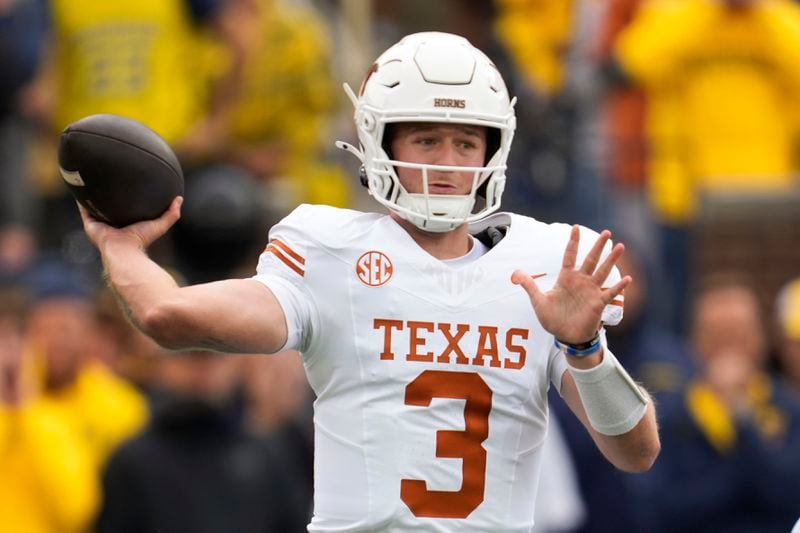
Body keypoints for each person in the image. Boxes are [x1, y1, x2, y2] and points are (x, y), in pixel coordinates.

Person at [78, 32, 659, 532]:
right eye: (426, 140)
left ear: (493, 149)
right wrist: (119, 247)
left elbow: (636, 452)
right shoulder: (330, 252)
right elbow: (167, 316)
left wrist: (584, 351)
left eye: (465, 142)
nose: (448, 163)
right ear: (382, 143)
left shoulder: (540, 267)